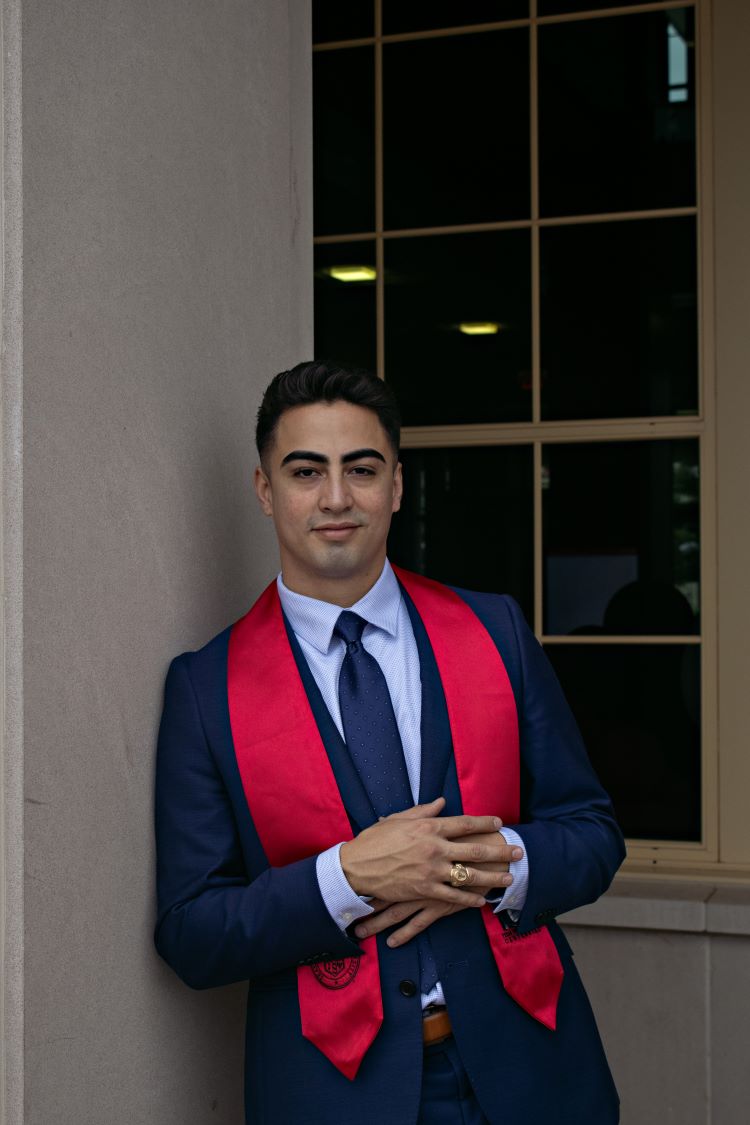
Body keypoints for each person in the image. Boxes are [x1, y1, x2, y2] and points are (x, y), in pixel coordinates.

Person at [155, 360, 625, 1125]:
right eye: (306, 471)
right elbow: (190, 929)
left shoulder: (493, 630)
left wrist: (476, 866)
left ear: (397, 486)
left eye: (361, 469)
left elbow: (596, 834)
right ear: (265, 489)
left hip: (534, 1070)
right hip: (333, 1095)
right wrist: (344, 876)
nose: (336, 497)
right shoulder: (207, 690)